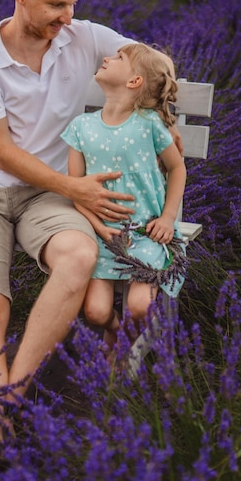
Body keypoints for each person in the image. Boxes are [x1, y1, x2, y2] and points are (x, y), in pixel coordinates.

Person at [0, 0, 181, 438]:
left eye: (73, 2)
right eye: (56, 4)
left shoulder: (86, 36)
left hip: (48, 197)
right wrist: (77, 188)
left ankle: (6, 401)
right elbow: (4, 154)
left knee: (77, 257)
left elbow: (144, 67)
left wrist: (162, 119)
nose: (68, 17)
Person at [61, 43, 187, 354]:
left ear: (134, 81)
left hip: (147, 234)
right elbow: (75, 189)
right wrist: (98, 228)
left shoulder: (149, 125)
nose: (106, 57)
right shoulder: (81, 128)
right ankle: (116, 332)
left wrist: (169, 217)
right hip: (103, 236)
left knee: (141, 306)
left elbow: (177, 168)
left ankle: (124, 350)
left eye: (118, 58)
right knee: (96, 313)